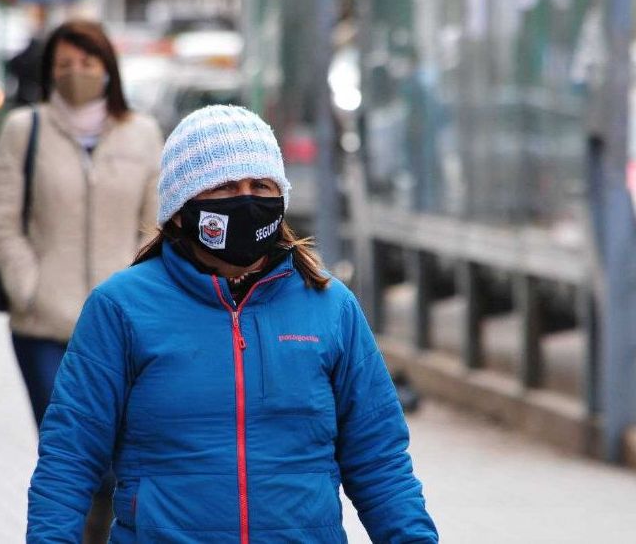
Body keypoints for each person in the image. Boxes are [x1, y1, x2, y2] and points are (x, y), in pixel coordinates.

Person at [27, 105, 438, 543]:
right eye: (224, 187)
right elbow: (69, 457)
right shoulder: (121, 308)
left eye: (260, 185)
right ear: (183, 209)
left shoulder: (330, 306)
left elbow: (379, 461)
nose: (246, 199)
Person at [0, 19, 163, 542]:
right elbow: (1, 221)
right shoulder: (24, 130)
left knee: (119, 457)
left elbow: (155, 227)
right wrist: (29, 286)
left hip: (121, 330)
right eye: (64, 64)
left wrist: (138, 294)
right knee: (74, 455)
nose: (76, 73)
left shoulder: (142, 133)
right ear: (48, 71)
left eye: (87, 62)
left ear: (108, 68)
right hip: (44, 327)